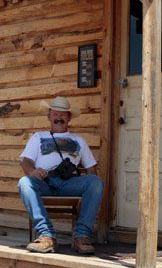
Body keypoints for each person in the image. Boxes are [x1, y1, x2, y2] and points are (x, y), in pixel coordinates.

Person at [18, 96, 104, 254]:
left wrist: (91, 185)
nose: (59, 117)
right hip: (44, 182)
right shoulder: (38, 137)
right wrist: (33, 172)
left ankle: (81, 237)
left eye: (63, 114)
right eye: (55, 114)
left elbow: (91, 168)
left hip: (69, 184)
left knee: (96, 182)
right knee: (24, 182)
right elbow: (26, 161)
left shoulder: (79, 140)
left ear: (69, 117)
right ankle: (46, 236)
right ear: (49, 116)